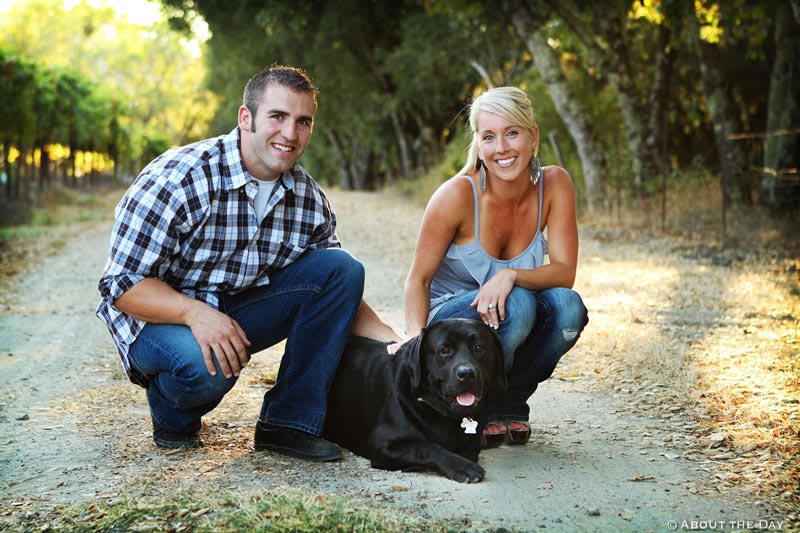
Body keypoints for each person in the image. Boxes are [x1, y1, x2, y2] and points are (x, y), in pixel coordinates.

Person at [97, 64, 400, 462]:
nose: (290, 134)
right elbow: (120, 285)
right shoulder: (180, 177)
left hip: (235, 310)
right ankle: (172, 412)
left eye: (302, 121)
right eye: (278, 116)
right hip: (157, 318)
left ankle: (289, 424)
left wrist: (397, 344)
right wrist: (194, 313)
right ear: (246, 118)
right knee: (205, 366)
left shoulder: (307, 199)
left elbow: (335, 292)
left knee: (342, 268)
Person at [400, 86, 588, 447]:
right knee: (518, 304)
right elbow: (418, 280)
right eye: (489, 137)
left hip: (514, 311)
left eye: (512, 133)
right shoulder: (456, 195)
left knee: (568, 307)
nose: (501, 148)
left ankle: (509, 401)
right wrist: (413, 347)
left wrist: (510, 274)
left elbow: (565, 273)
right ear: (479, 143)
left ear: (532, 137)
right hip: (452, 318)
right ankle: (473, 408)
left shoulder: (555, 184)